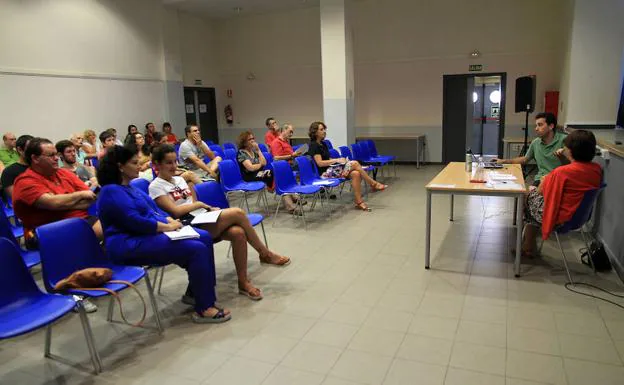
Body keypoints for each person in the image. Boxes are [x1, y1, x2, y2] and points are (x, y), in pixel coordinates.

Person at [96, 145, 230, 323]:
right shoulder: (110, 191)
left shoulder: (130, 187)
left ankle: (196, 292)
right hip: (128, 244)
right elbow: (135, 221)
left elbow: (154, 211)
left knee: (204, 237)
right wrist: (167, 227)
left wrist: (170, 221)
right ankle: (204, 307)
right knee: (195, 249)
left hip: (146, 236)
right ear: (120, 166)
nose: (140, 166)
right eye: (134, 163)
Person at [150, 145, 291, 300]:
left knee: (238, 233)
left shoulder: (179, 180)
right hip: (184, 226)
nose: (174, 166)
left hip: (199, 217)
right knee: (238, 213)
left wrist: (208, 208)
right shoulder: (156, 186)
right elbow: (176, 211)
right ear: (157, 164)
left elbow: (191, 202)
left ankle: (243, 282)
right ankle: (265, 253)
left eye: (175, 161)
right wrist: (200, 205)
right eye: (168, 163)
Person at [522, 129, 602, 256]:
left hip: (561, 218)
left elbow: (541, 191)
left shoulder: (561, 172)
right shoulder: (597, 169)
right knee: (530, 204)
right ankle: (528, 245)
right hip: (579, 216)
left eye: (566, 146)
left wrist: (544, 180)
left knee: (525, 194)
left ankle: (527, 246)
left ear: (571, 150)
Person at [308, 121, 387, 212]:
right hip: (325, 173)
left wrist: (339, 160)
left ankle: (359, 202)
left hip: (332, 169)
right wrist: (336, 160)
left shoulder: (323, 144)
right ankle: (373, 184)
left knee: (356, 173)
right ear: (315, 132)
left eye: (324, 129)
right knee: (355, 163)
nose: (324, 131)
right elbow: (320, 163)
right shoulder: (313, 145)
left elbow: (327, 158)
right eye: (321, 130)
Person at [494, 112, 568, 185]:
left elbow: (573, 164)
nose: (536, 129)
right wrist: (504, 161)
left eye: (540, 125)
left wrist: (563, 157)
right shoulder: (535, 142)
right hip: (541, 179)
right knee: (527, 193)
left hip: (560, 181)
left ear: (551, 126)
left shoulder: (565, 140)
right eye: (536, 125)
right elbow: (525, 159)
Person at [1, 135, 33, 201]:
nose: (14, 141)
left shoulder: (40, 168)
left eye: (15, 139)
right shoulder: (9, 172)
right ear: (5, 140)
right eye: (11, 139)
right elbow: (17, 198)